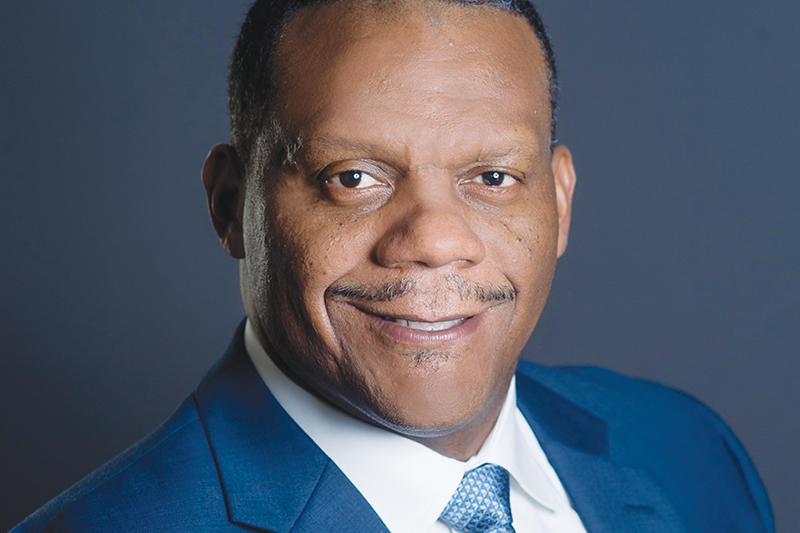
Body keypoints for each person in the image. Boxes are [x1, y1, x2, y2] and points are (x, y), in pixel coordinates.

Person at [13, 0, 774, 532]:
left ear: (560, 201)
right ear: (231, 205)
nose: (435, 240)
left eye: (493, 177)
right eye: (353, 177)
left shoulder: (692, 454)